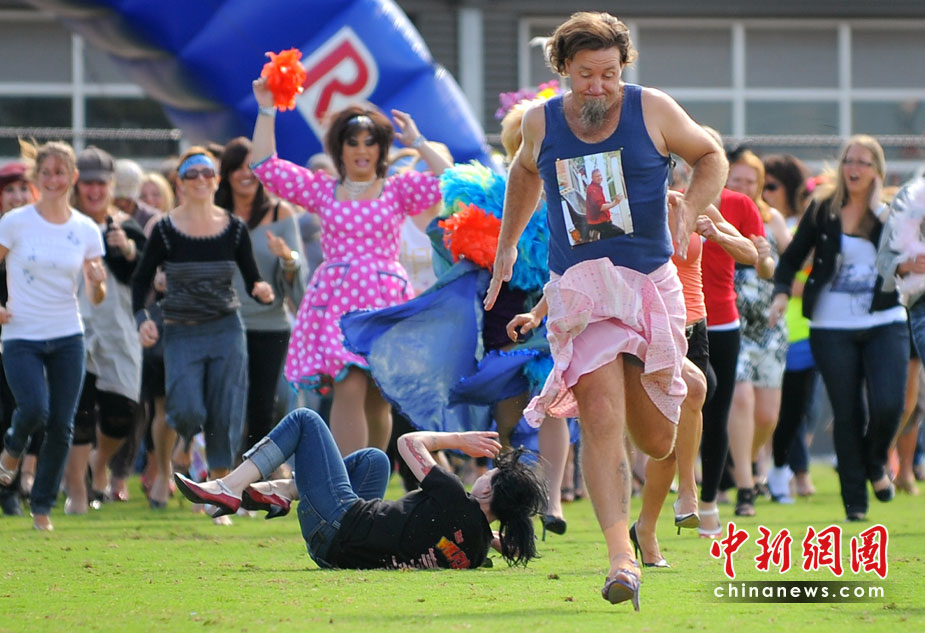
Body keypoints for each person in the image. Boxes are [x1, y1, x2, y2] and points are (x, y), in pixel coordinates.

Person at [485, 12, 727, 608]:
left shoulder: (653, 109)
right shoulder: (541, 121)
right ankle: (622, 560)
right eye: (585, 74)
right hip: (581, 289)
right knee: (597, 414)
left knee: (656, 440)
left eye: (609, 74)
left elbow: (711, 155)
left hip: (648, 287)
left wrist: (690, 210)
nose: (598, 86)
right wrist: (507, 245)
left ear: (624, 68)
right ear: (563, 68)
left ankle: (666, 410)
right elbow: (524, 171)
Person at [249, 76, 450, 456]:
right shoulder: (323, 189)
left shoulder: (397, 189)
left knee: (378, 398)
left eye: (370, 142)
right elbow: (264, 166)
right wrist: (266, 108)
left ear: (381, 149)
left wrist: (418, 142)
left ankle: (370, 478)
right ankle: (347, 482)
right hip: (339, 301)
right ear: (339, 148)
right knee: (350, 382)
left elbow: (450, 180)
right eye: (352, 142)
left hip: (385, 299)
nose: (361, 150)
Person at [173, 407, 545, 570]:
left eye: (491, 475)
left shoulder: (452, 495)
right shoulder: (476, 551)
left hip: (338, 525)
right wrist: (498, 538)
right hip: (342, 554)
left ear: (488, 492)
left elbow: (408, 443)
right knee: (374, 461)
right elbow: (465, 534)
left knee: (305, 419)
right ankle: (284, 489)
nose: (484, 473)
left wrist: (457, 439)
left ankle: (230, 486)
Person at [131, 147, 274, 521]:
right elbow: (141, 281)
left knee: (225, 411)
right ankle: (183, 441)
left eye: (207, 173)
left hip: (226, 329)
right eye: (191, 174)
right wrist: (142, 319)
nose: (200, 180)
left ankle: (219, 497)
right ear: (179, 183)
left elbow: (252, 276)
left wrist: (261, 288)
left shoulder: (234, 227)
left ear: (216, 181)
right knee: (187, 408)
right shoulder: (165, 230)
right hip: (182, 331)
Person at [770, 134, 907, 521]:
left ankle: (876, 461)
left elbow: (902, 250)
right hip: (831, 325)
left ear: (877, 170)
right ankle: (855, 504)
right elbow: (791, 259)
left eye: (863, 162)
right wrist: (781, 294)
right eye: (849, 160)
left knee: (890, 405)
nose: (854, 168)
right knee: (847, 413)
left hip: (884, 319)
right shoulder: (823, 210)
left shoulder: (890, 213)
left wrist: (877, 208)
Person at [0, 141, 107, 531]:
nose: (53, 179)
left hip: (67, 335)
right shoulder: (15, 222)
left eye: (60, 172)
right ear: (37, 177)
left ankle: (42, 506)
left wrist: (97, 282)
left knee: (62, 424)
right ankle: (11, 450)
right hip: (21, 335)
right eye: (46, 172)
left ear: (72, 177)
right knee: (33, 410)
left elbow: (97, 294)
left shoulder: (85, 229)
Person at [63, 146, 146, 514]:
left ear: (112, 186)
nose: (95, 191)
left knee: (122, 411)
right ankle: (77, 493)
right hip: (72, 325)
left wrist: (127, 251)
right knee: (78, 412)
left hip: (118, 329)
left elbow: (146, 276)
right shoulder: (63, 225)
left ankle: (99, 464)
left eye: (101, 183)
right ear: (76, 185)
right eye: (88, 183)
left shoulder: (125, 227)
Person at [214, 136, 306, 457]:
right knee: (225, 403)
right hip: (224, 324)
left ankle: (253, 476)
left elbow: (297, 282)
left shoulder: (281, 214)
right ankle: (219, 468)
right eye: (237, 167)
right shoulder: (215, 216)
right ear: (226, 174)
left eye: (251, 167)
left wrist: (287, 258)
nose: (245, 174)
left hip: (270, 326)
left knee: (264, 407)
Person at [724, 148, 791, 516]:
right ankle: (745, 487)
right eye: (737, 179)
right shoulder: (716, 214)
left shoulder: (772, 219)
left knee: (767, 416)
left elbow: (792, 262)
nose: (744, 186)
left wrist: (784, 293)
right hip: (732, 324)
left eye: (751, 181)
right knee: (741, 399)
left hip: (769, 327)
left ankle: (739, 461)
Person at [762, 154, 819, 500]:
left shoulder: (805, 227)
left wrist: (797, 285)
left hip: (809, 331)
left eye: (771, 186)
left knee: (802, 410)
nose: (765, 193)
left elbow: (807, 277)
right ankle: (792, 472)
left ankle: (791, 471)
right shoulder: (767, 225)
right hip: (779, 330)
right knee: (780, 411)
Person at [0, 159, 40, 516]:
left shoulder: (43, 232)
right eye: (9, 190)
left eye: (23, 189)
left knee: (22, 411)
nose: (16, 196)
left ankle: (10, 488)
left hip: (28, 337)